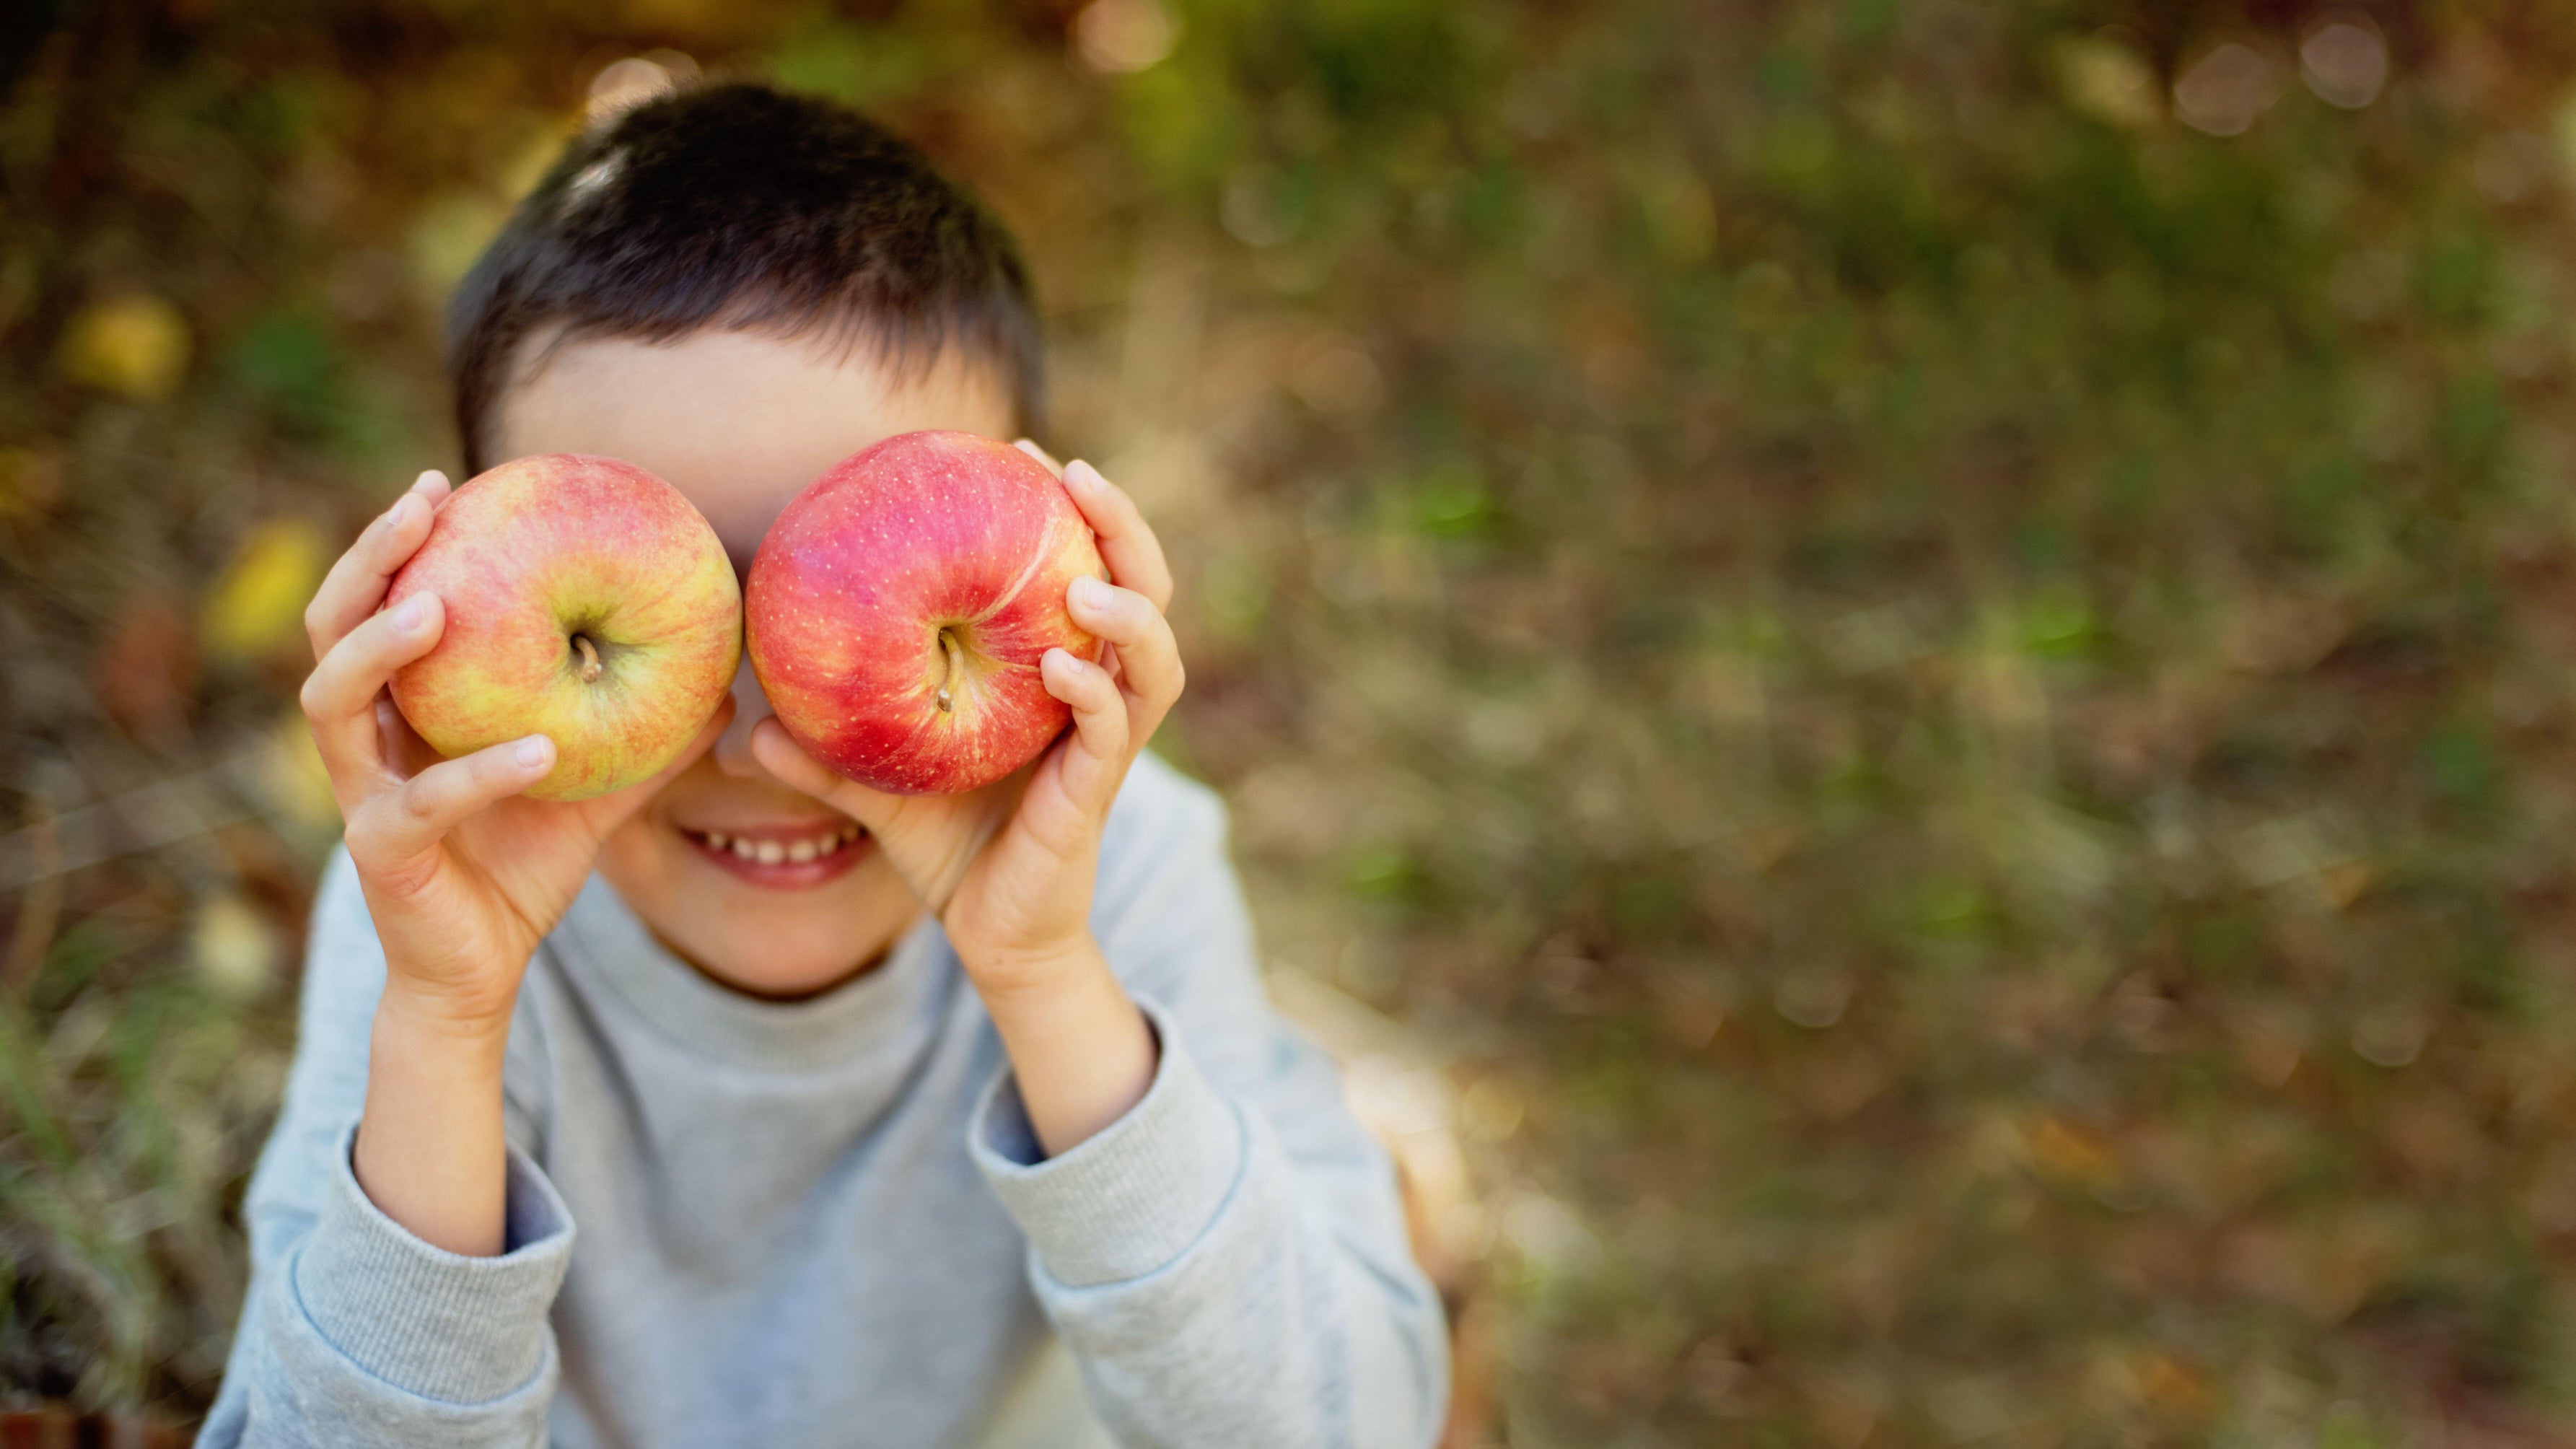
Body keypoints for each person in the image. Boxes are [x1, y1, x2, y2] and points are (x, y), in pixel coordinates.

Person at [198, 81, 1448, 1449]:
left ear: (1045, 562)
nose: (760, 739)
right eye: (667, 620)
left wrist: (1044, 977)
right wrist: (445, 1028)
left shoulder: (1124, 869)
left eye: (838, 606)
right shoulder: (437, 917)